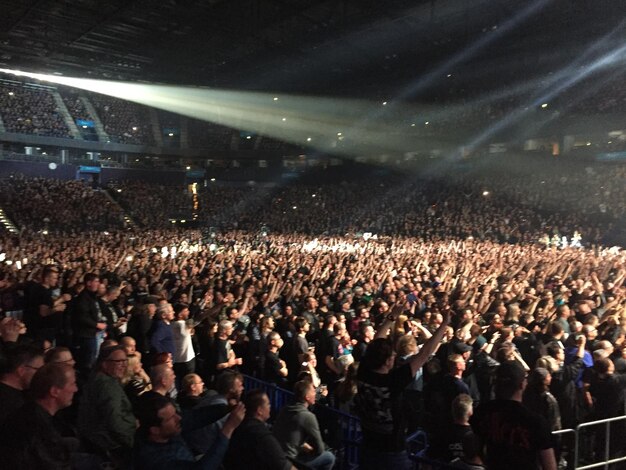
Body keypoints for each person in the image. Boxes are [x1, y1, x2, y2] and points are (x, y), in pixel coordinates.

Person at [354, 304, 451, 469]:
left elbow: (376, 343)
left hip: (368, 443)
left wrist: (391, 317)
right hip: (391, 451)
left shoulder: (363, 371)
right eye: (392, 356)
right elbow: (425, 353)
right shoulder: (393, 381)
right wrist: (444, 325)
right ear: (387, 361)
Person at [470, 362, 557, 470]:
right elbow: (549, 465)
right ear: (522, 384)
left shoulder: (482, 412)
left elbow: (472, 451)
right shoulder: (535, 421)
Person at [134, 393, 245, 470]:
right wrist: (228, 429)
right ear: (155, 430)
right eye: (171, 418)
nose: (178, 418)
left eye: (175, 413)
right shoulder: (155, 461)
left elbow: (196, 417)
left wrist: (227, 409)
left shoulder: (168, 430)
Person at [0, 363, 78, 468]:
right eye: (72, 384)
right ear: (54, 391)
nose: (75, 389)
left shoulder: (29, 411)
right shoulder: (39, 429)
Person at [77, 345, 136, 467]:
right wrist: (133, 440)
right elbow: (114, 421)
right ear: (104, 364)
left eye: (125, 361)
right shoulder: (107, 386)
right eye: (118, 361)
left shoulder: (98, 380)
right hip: (110, 447)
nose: (124, 365)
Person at [223, 389, 295, 470]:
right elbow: (284, 466)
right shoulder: (262, 436)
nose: (270, 407)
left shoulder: (237, 425)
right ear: (259, 410)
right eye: (268, 404)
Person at [273, 380, 336, 470]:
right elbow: (319, 449)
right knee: (329, 457)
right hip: (290, 461)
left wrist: (303, 445)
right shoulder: (308, 416)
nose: (316, 394)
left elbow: (290, 436)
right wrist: (310, 450)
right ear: (307, 397)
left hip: (277, 455)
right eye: (314, 391)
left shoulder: (285, 409)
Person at [71, 273, 106, 375]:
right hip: (86, 335)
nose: (98, 284)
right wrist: (96, 325)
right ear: (89, 283)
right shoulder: (83, 298)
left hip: (92, 333)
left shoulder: (92, 297)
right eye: (96, 281)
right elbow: (82, 316)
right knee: (88, 361)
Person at [0, 344, 45, 424]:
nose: (41, 374)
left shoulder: (21, 396)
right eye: (39, 370)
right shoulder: (11, 404)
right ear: (21, 371)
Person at [172, 303, 196, 382]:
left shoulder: (171, 324)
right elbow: (200, 317)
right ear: (179, 314)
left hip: (176, 360)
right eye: (186, 311)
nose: (188, 312)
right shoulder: (182, 324)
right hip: (187, 359)